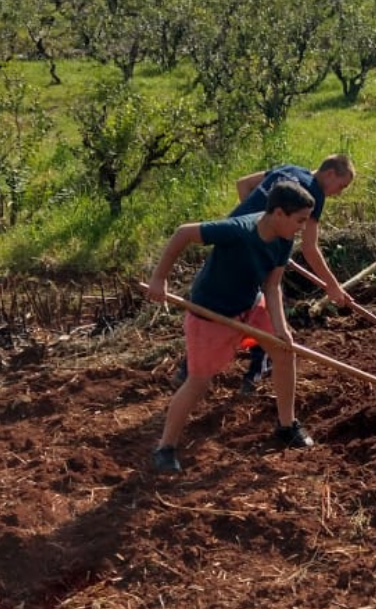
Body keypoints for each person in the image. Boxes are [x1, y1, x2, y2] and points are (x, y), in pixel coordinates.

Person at [147, 180, 318, 474]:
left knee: (284, 351)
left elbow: (273, 284)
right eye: (300, 220)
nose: (303, 227)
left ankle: (286, 425)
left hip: (251, 304)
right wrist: (159, 278)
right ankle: (165, 447)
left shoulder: (284, 237)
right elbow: (184, 232)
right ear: (278, 213)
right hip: (211, 313)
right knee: (199, 382)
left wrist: (281, 328)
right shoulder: (238, 230)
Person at [175, 153, 356, 393]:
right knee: (264, 307)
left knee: (224, 304)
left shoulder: (290, 168)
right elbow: (310, 248)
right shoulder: (314, 194)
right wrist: (332, 286)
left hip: (231, 243)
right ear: (330, 174)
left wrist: (264, 233)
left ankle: (189, 367)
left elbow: (243, 184)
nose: (340, 192)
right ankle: (252, 372)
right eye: (342, 186)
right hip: (250, 255)